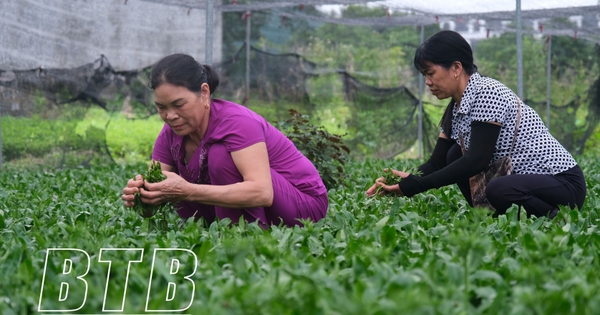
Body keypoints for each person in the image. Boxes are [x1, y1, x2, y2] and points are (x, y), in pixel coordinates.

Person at [366, 30, 586, 219]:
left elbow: (477, 160)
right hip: (520, 184)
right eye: (424, 75)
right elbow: (437, 163)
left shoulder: (487, 92)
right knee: (453, 154)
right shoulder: (456, 106)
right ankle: (493, 218)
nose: (428, 82)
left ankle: (556, 217)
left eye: (430, 73)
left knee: (497, 189)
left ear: (456, 68)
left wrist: (415, 186)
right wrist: (404, 178)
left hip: (561, 184)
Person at [122, 53, 328, 228]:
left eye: (179, 104)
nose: (170, 116)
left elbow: (263, 192)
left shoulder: (237, 122)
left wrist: (187, 190)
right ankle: (223, 231)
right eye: (162, 108)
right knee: (172, 182)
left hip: (303, 206)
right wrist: (142, 194)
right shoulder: (169, 134)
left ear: (204, 93)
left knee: (220, 156)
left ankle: (243, 238)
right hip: (254, 206)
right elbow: (157, 193)